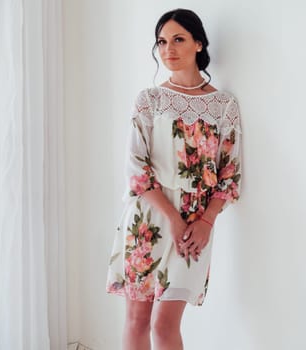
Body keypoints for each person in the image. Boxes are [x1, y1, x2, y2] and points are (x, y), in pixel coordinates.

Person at [106, 8, 242, 350]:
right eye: (162, 42)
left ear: (198, 43)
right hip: (149, 218)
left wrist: (206, 221)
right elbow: (136, 169)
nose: (168, 49)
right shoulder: (149, 101)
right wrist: (172, 218)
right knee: (138, 319)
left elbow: (229, 173)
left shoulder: (223, 106)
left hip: (196, 223)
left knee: (164, 325)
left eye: (178, 39)